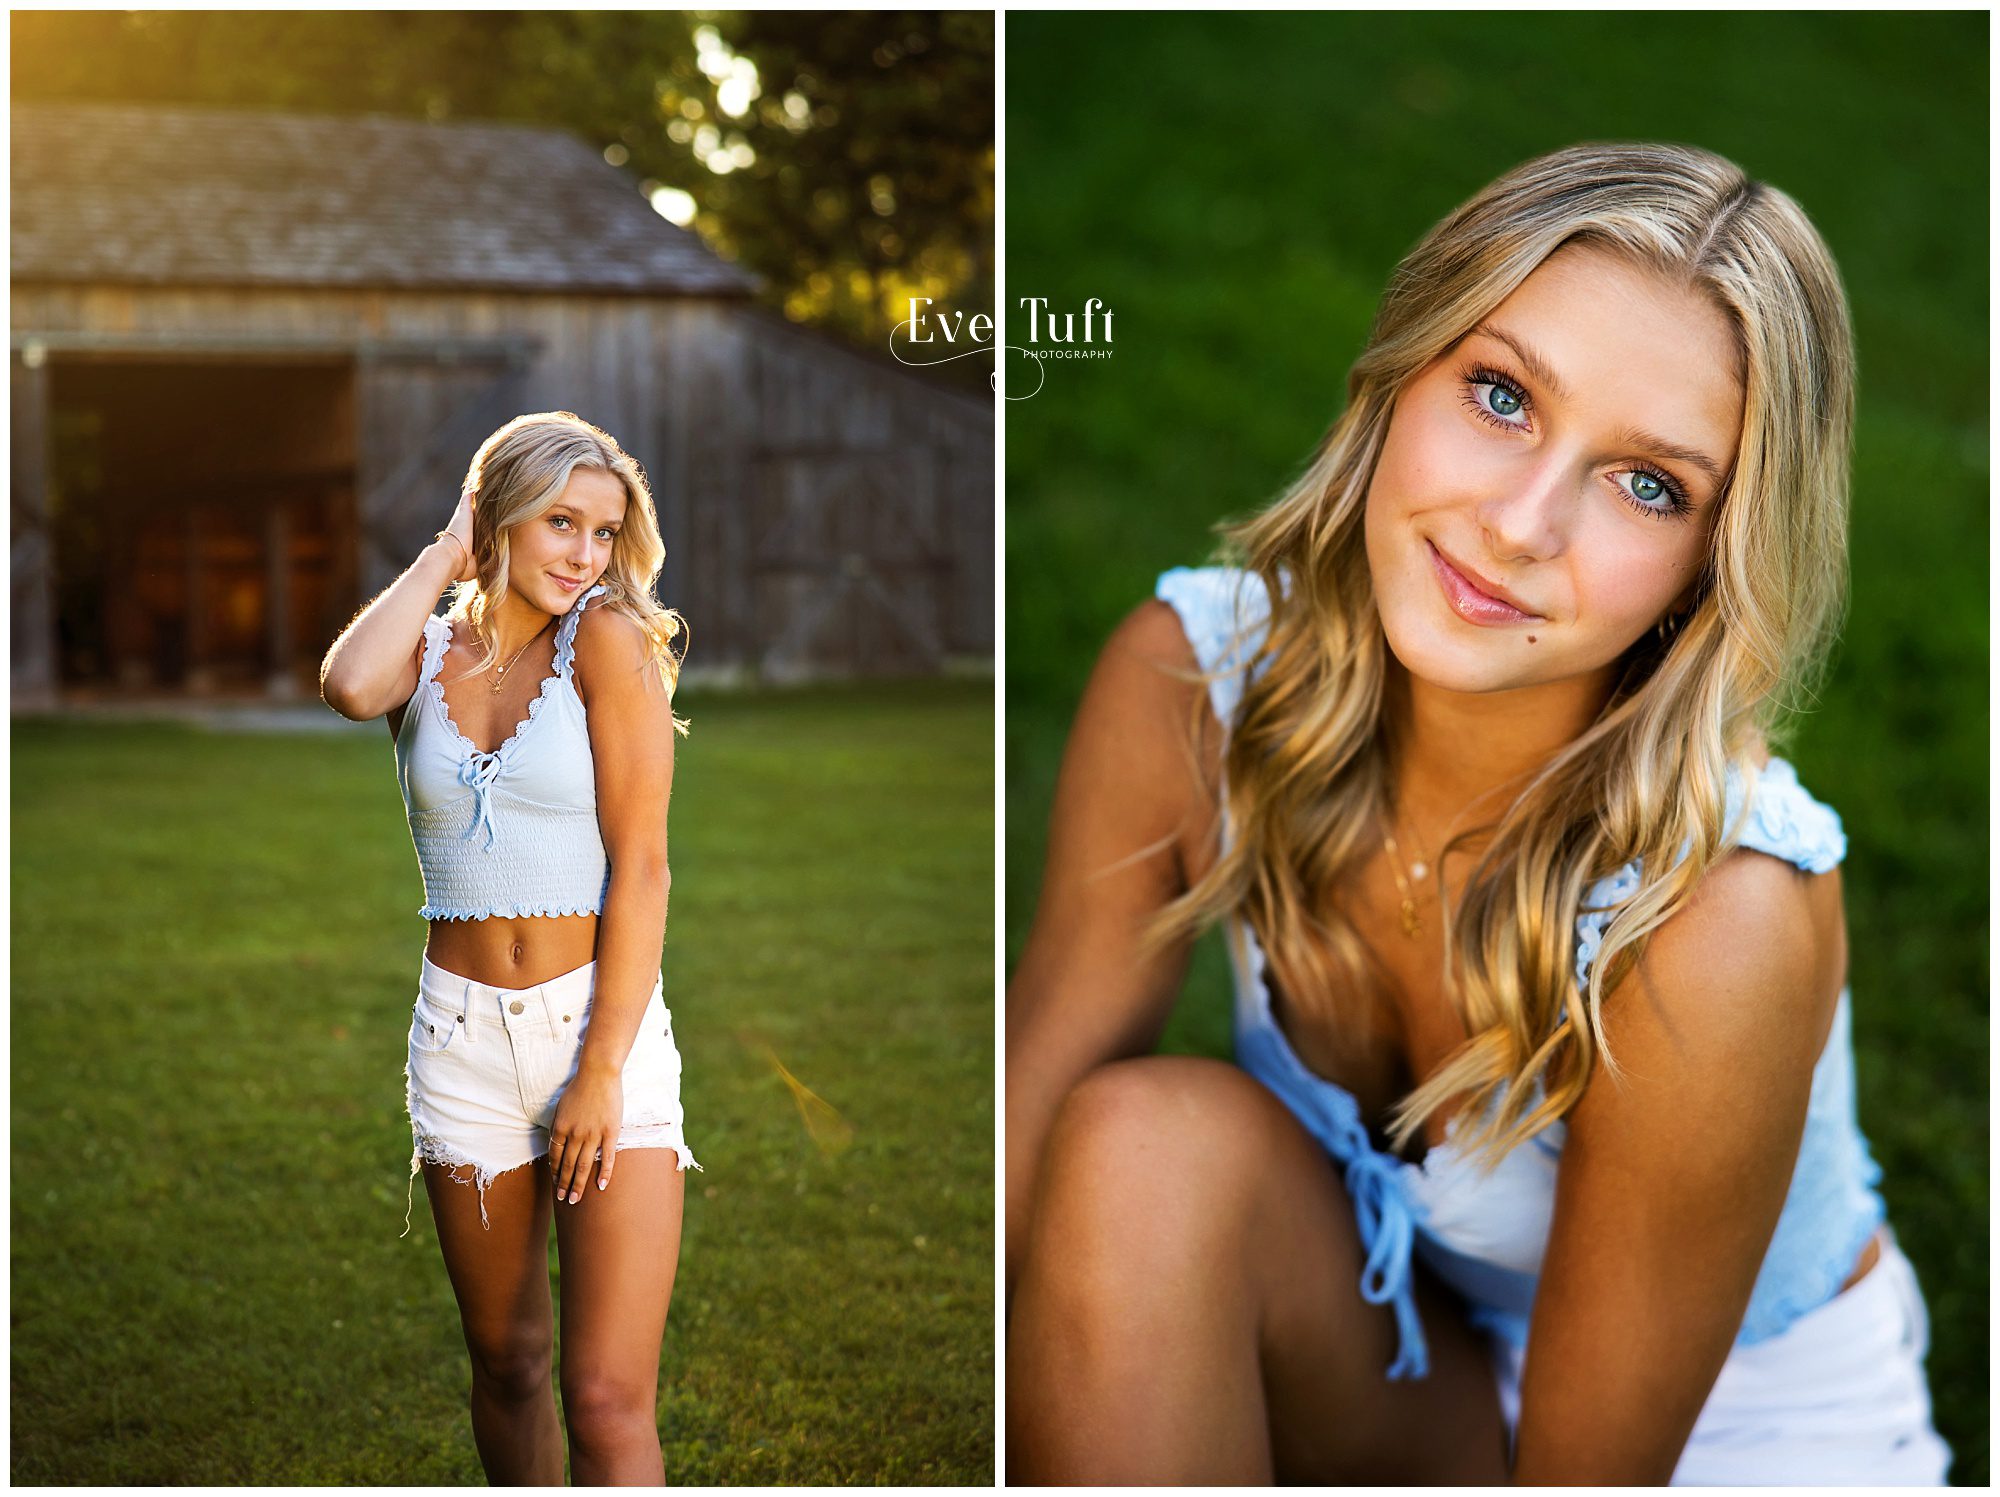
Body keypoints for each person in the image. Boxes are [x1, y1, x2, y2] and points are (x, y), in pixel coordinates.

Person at [1005, 144, 1952, 1484]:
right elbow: (1020, 1158)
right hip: (1410, 1361)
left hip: (1726, 1442)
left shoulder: (1717, 914)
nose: (1520, 523)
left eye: (1647, 484)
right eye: (1502, 394)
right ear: (1404, 369)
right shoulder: (1192, 683)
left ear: (1710, 563)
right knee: (1130, 1151)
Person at [321, 410, 696, 1483]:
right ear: (498, 520)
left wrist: (604, 1072)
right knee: (510, 1364)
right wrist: (448, 551)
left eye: (603, 532)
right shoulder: (428, 650)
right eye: (559, 523)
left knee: (607, 1398)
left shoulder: (610, 641)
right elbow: (350, 687)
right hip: (461, 1042)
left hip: (599, 1029)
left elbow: (645, 870)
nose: (584, 554)